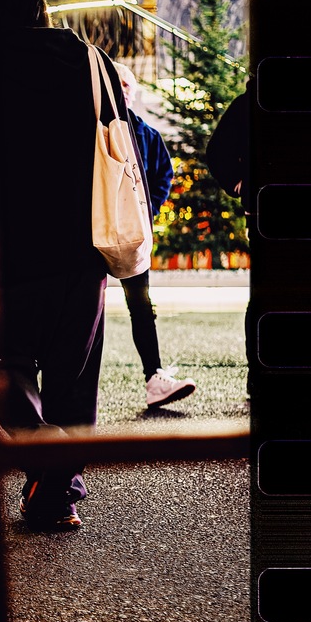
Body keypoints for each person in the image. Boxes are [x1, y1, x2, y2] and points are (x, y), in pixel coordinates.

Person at [0, 0, 129, 532]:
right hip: (84, 251)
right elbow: (122, 142)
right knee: (74, 381)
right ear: (43, 15)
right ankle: (56, 494)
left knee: (1, 369)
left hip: (8, 256)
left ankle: (49, 461)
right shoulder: (92, 61)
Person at [113, 62, 196, 408]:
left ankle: (154, 377)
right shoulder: (94, 127)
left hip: (131, 230)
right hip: (97, 229)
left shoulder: (146, 134)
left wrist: (147, 210)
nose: (123, 90)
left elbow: (164, 175)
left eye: (127, 85)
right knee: (80, 307)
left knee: (141, 304)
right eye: (118, 83)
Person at [205, 81, 254, 398]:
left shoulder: (248, 103)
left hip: (262, 209)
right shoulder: (249, 104)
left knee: (264, 295)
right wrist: (240, 184)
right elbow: (217, 153)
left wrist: (240, 184)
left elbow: (216, 152)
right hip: (266, 211)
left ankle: (259, 372)